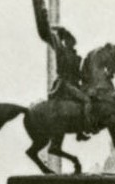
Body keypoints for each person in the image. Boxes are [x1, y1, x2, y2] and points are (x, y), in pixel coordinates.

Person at [34, 0, 93, 139]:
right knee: (86, 101)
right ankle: (84, 130)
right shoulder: (61, 50)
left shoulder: (75, 56)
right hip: (66, 85)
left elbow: (81, 74)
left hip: (75, 84)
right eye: (69, 38)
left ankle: (79, 128)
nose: (72, 41)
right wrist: (40, 11)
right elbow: (45, 34)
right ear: (66, 40)